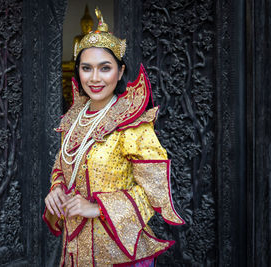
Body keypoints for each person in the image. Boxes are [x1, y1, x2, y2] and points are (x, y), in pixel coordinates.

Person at [43, 7, 184, 267]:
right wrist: (56, 189)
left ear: (119, 72)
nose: (94, 78)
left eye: (104, 68)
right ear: (78, 72)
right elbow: (62, 165)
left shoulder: (132, 123)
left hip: (122, 254)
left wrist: (97, 208)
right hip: (75, 249)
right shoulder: (74, 119)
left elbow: (154, 193)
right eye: (86, 68)